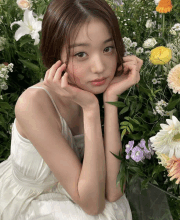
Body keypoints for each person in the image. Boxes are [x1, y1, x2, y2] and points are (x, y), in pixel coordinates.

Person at [0, 0, 143, 219]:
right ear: (55, 55)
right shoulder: (33, 104)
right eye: (81, 54)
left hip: (84, 193)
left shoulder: (83, 88)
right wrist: (91, 108)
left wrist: (110, 99)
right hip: (33, 204)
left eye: (107, 49)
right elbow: (92, 205)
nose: (99, 67)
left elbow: (114, 191)